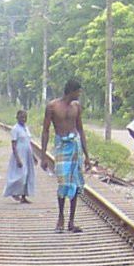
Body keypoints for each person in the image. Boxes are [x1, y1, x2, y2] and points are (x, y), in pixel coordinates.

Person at [41, 78, 90, 232]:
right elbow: (46, 130)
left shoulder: (76, 107)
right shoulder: (53, 107)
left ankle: (71, 221)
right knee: (63, 183)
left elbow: (80, 130)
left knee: (75, 184)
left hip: (75, 146)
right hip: (62, 146)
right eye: (78, 91)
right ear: (71, 91)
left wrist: (87, 155)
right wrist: (43, 156)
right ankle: (61, 217)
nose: (79, 94)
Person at [3, 109, 37, 203]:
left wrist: (33, 156)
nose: (23, 119)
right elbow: (13, 145)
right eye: (21, 117)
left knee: (27, 175)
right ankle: (13, 192)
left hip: (27, 155)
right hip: (20, 154)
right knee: (20, 175)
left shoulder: (26, 128)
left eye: (25, 117)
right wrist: (17, 159)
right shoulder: (15, 129)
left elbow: (28, 143)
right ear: (17, 117)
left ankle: (23, 196)